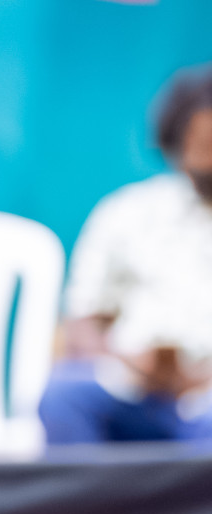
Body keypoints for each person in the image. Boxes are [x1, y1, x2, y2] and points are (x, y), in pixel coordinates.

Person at [40, 68, 212, 443]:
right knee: (63, 396)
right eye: (202, 144)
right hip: (128, 385)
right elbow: (82, 321)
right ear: (179, 139)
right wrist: (130, 362)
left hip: (207, 402)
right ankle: (79, 503)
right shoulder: (129, 212)